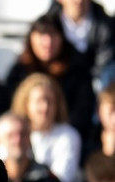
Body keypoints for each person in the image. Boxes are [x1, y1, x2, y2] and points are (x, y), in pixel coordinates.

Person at [6, 13, 95, 141]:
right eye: (41, 35)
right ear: (31, 38)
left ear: (62, 38)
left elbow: (83, 110)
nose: (47, 42)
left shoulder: (77, 68)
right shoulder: (19, 70)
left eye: (53, 35)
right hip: (24, 137)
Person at [10, 72, 82, 182]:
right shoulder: (12, 133)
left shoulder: (68, 135)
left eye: (50, 101)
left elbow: (63, 178)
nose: (45, 107)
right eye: (39, 101)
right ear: (26, 104)